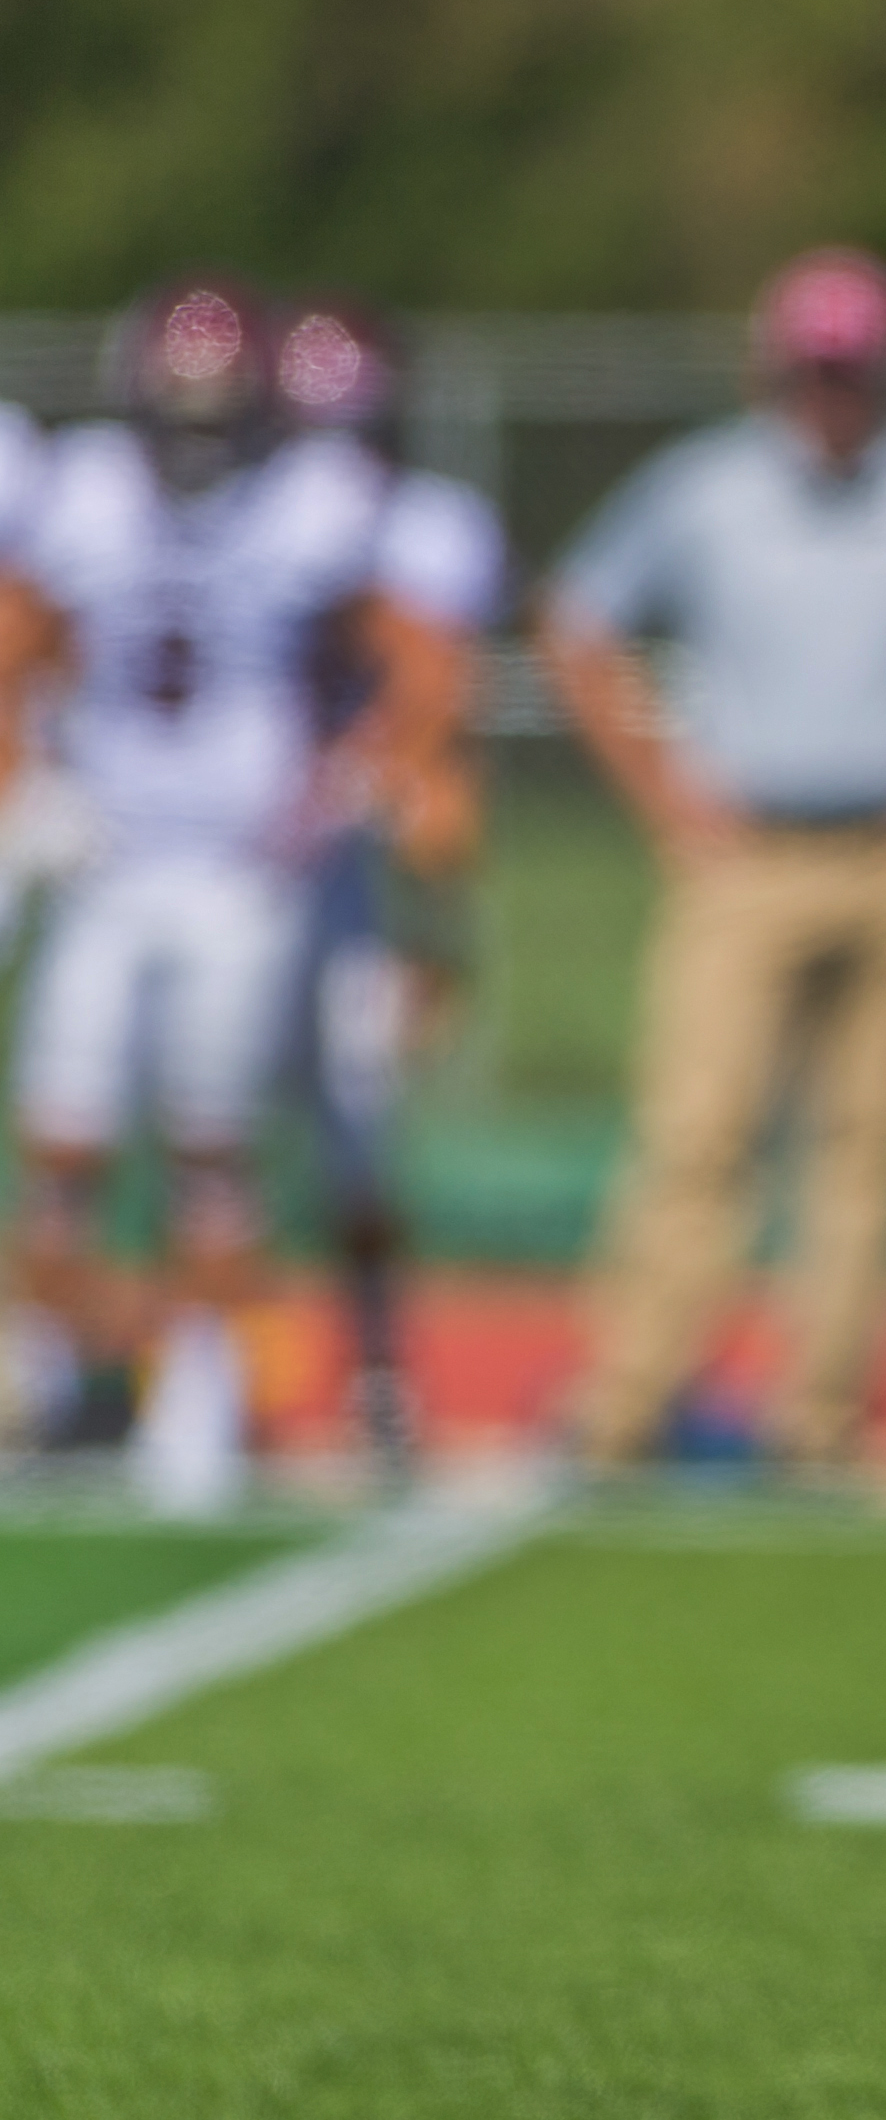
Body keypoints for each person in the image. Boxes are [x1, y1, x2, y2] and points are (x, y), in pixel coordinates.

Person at [543, 247, 886, 1478]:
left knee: (868, 1149)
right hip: (742, 853)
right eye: (813, 370)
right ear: (773, 368)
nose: (832, 396)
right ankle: (628, 1399)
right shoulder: (703, 490)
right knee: (697, 1131)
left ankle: (819, 1418)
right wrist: (665, 793)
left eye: (853, 372)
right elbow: (578, 627)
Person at [0, 277, 444, 1514]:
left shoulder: (316, 506)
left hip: (247, 877)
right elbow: (16, 635)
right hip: (109, 862)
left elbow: (410, 655)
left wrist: (372, 766)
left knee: (213, 1149)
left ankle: (199, 1395)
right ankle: (60, 1384)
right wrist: (24, 774)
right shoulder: (80, 490)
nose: (194, 432)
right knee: (63, 1140)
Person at [271, 294, 498, 1482]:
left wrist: (435, 914)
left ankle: (374, 1369)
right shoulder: (225, 515)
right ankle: (152, 1367)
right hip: (218, 855)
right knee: (170, 1119)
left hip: (346, 869)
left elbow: (435, 728)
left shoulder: (428, 529)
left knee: (356, 1134)